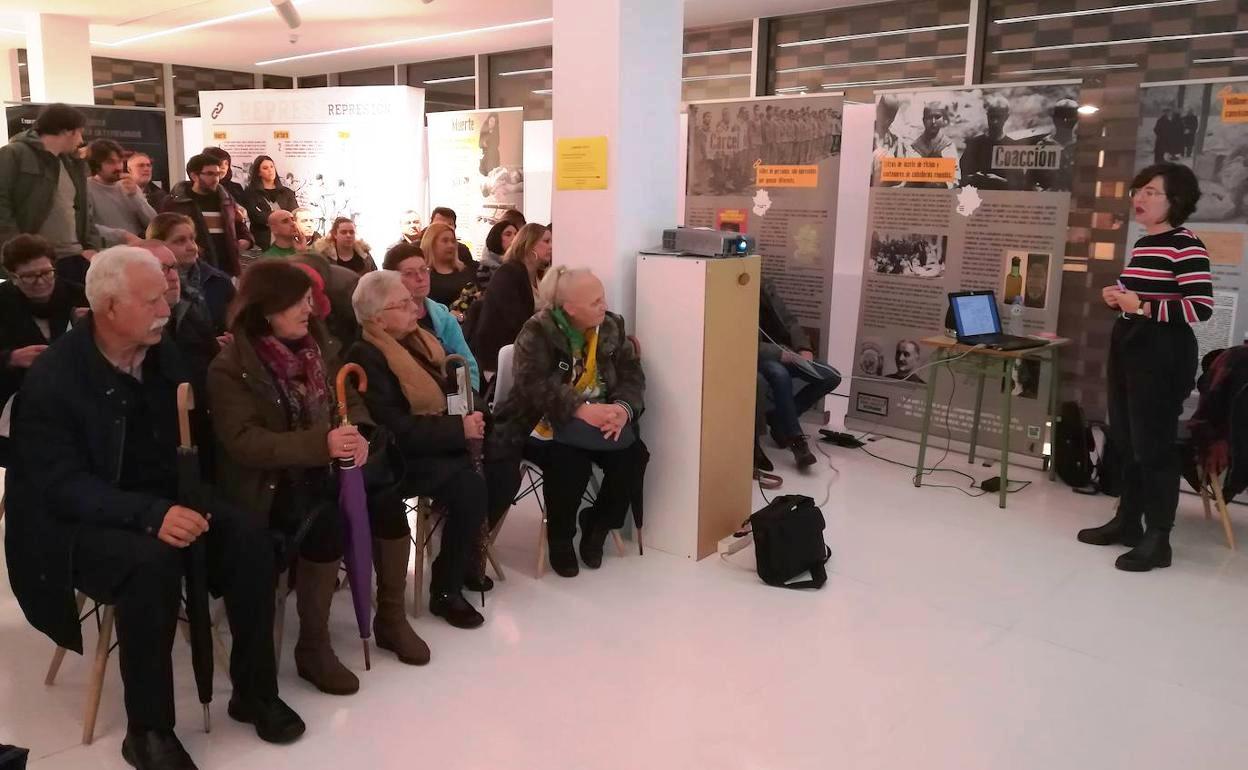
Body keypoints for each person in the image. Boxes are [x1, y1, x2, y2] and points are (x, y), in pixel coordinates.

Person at [5, 246, 304, 770]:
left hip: (167, 497)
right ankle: (148, 729)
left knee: (248, 535)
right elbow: (58, 484)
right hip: (81, 523)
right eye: (151, 301)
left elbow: (198, 438)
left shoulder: (164, 354)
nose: (165, 310)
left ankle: (254, 691)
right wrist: (149, 515)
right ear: (108, 307)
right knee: (150, 564)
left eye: (164, 297)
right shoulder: (56, 378)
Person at [208, 260, 430, 694]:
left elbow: (347, 402)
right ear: (265, 308)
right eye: (297, 302)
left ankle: (390, 617)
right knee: (325, 522)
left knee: (387, 498)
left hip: (326, 467)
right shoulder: (231, 366)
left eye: (309, 300)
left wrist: (359, 433)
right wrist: (322, 444)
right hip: (272, 485)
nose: (308, 309)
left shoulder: (319, 348)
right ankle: (313, 646)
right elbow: (245, 443)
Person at [347, 271, 510, 627]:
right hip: (399, 459)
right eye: (403, 303)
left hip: (437, 440)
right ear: (377, 318)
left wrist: (476, 411)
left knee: (503, 465)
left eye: (412, 300)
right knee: (469, 486)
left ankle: (467, 556)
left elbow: (455, 383)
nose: (415, 309)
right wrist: (458, 429)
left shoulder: (418, 341)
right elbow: (394, 429)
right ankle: (446, 589)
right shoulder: (367, 356)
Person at [1078, 163, 1213, 572]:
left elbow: (1200, 307)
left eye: (1151, 192)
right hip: (1130, 344)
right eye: (1138, 190)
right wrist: (1118, 299)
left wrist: (1144, 307)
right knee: (1126, 439)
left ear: (1176, 201)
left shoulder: (1186, 244)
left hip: (1162, 352)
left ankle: (1159, 537)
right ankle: (1127, 522)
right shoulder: (1144, 243)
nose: (1139, 198)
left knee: (1154, 447)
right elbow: (1141, 297)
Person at [490, 267, 648, 578]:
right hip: (540, 421)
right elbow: (531, 384)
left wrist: (622, 409)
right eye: (595, 302)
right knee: (569, 461)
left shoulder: (611, 325)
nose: (604, 306)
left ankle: (597, 524)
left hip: (601, 418)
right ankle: (560, 538)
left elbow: (632, 374)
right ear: (570, 308)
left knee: (633, 456)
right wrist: (579, 409)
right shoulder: (537, 331)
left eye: (603, 298)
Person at [0, 103, 102, 285]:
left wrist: (91, 247)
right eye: (79, 132)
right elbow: (2, 204)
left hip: (75, 258)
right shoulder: (13, 154)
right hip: (35, 263)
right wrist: (17, 252)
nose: (81, 140)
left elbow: (85, 212)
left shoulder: (72, 164)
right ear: (67, 131)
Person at [0, 235, 88, 436]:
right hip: (17, 399)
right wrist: (11, 358)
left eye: (47, 273)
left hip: (75, 397)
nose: (40, 281)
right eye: (29, 276)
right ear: (13, 277)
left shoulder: (79, 295)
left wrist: (94, 325)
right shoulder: (3, 302)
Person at [757, 280, 840, 469]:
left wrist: (804, 348)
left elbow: (790, 321)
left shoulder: (765, 286)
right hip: (760, 357)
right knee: (779, 374)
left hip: (787, 352)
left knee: (831, 376)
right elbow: (739, 340)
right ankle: (796, 440)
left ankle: (780, 421)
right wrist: (778, 354)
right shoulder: (731, 295)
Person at [383, 242, 480, 390]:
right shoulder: (388, 322)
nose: (420, 278)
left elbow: (468, 365)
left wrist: (465, 399)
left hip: (453, 395)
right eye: (409, 273)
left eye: (424, 270)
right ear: (392, 280)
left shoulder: (444, 318)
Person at [467, 223, 551, 375]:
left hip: (528, 352)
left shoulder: (540, 276)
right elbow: (513, 321)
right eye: (546, 241)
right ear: (529, 243)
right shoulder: (509, 273)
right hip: (501, 357)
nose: (551, 246)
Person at [161, 153, 253, 277]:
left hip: (226, 270)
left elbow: (238, 223)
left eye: (218, 174)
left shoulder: (226, 199)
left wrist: (246, 240)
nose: (216, 179)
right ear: (194, 176)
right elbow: (163, 234)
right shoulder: (176, 203)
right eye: (210, 174)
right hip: (192, 269)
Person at [147, 212, 235, 334]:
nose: (192, 247)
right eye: (180, 241)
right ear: (158, 244)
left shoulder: (219, 281)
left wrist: (227, 340)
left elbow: (236, 327)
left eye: (192, 239)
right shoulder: (145, 285)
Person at [87, 139, 157, 243]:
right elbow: (86, 227)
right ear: (96, 165)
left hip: (136, 248)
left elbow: (154, 224)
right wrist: (122, 236)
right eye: (110, 162)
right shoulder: (86, 188)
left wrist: (136, 196)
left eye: (119, 161)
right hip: (105, 250)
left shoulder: (129, 185)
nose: (118, 167)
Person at [244, 155, 299, 251]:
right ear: (258, 172)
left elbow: (294, 213)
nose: (270, 170)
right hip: (262, 240)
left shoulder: (287, 192)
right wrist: (280, 219)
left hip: (287, 240)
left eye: (272, 167)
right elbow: (256, 216)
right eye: (265, 168)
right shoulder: (250, 193)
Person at [959, 94, 1013, 190]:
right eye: (992, 117)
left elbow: (1019, 183)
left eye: (999, 117)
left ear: (1006, 117)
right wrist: (974, 178)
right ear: (987, 116)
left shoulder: (1012, 147)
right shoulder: (974, 144)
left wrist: (999, 181)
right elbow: (961, 177)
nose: (995, 122)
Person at [422, 221, 476, 314]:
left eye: (453, 241)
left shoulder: (465, 270)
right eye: (445, 241)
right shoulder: (424, 276)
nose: (451, 245)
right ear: (431, 243)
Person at [905, 101, 959, 189]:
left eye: (937, 117)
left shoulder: (948, 146)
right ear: (923, 120)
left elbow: (955, 177)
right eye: (929, 117)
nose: (933, 122)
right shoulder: (914, 148)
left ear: (943, 119)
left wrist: (944, 184)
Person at [201, 147, 249, 213]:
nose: (223, 167)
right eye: (220, 163)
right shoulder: (198, 187)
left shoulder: (236, 188)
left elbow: (243, 213)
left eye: (226, 163)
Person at [477, 219, 519, 288]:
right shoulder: (485, 268)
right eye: (508, 234)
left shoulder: (518, 263)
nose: (514, 238)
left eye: (516, 234)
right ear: (497, 237)